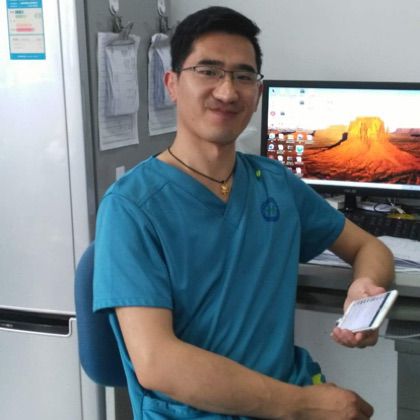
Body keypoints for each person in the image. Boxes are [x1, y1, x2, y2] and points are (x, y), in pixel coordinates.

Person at [93, 6, 395, 419]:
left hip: (288, 395)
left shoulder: (274, 183)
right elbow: (157, 362)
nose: (227, 91)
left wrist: (363, 287)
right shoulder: (131, 207)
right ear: (172, 84)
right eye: (208, 71)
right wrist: (304, 406)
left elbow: (370, 248)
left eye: (243, 76)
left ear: (258, 91)